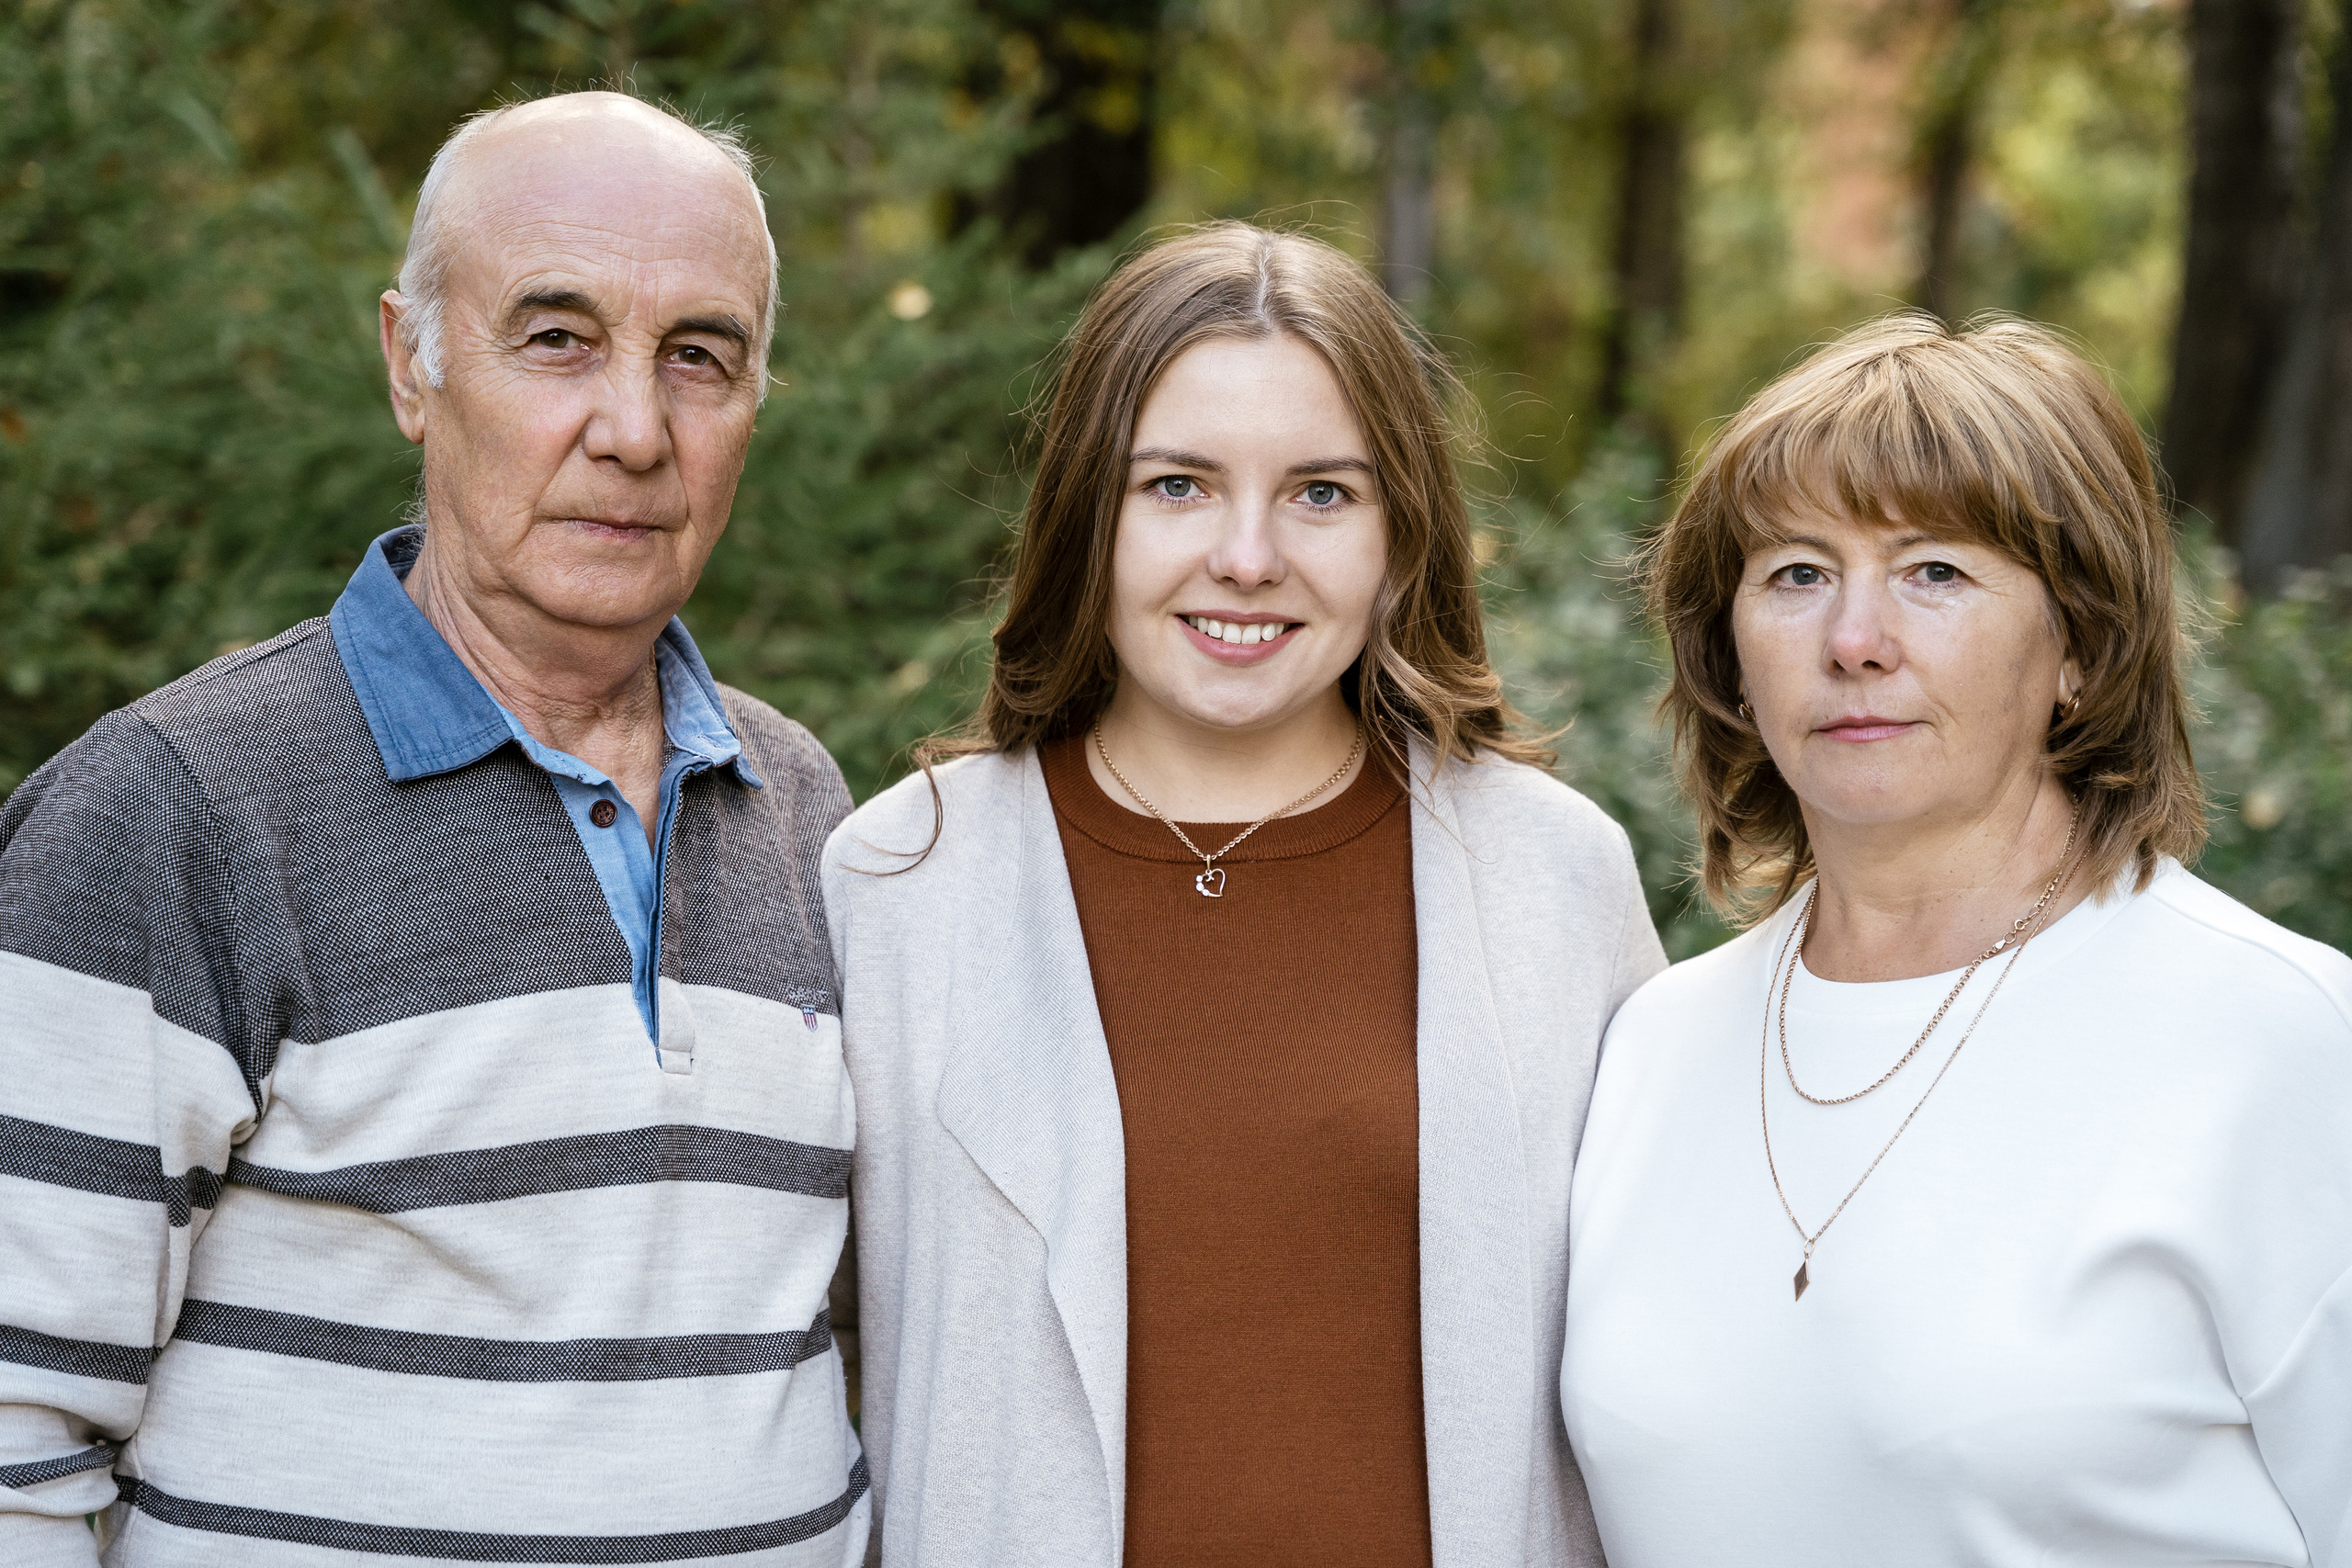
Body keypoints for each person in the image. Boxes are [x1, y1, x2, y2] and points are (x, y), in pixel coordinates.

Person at [0, 93, 867, 1565]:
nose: (635, 430)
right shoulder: (174, 814)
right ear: (413, 362)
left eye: (700, 359)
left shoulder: (808, 817)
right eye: (558, 340)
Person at [824, 221, 1664, 1568]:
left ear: (1402, 533)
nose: (1249, 556)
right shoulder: (898, 881)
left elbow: (1658, 1365)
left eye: (1322, 493)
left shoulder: (1552, 877)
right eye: (1178, 486)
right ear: (1087, 511)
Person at [1562, 314, 2352, 1564]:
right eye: (1797, 574)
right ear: (1730, 650)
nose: (1854, 639)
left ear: (2081, 649)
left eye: (1935, 572)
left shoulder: (2282, 1040)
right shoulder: (1649, 1046)